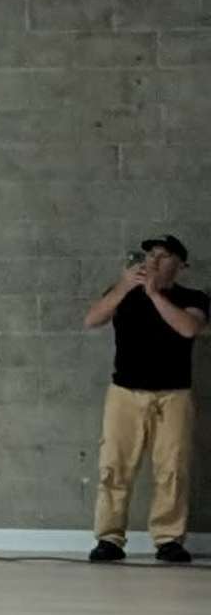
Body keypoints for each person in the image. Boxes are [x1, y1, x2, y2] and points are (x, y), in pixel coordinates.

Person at [85, 235, 205, 562]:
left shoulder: (192, 297)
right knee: (114, 466)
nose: (153, 260)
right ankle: (109, 539)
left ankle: (168, 540)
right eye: (150, 254)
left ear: (179, 265)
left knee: (172, 469)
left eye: (164, 256)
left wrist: (153, 294)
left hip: (173, 396)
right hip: (124, 394)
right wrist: (124, 288)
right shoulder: (124, 292)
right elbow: (92, 319)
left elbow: (188, 329)